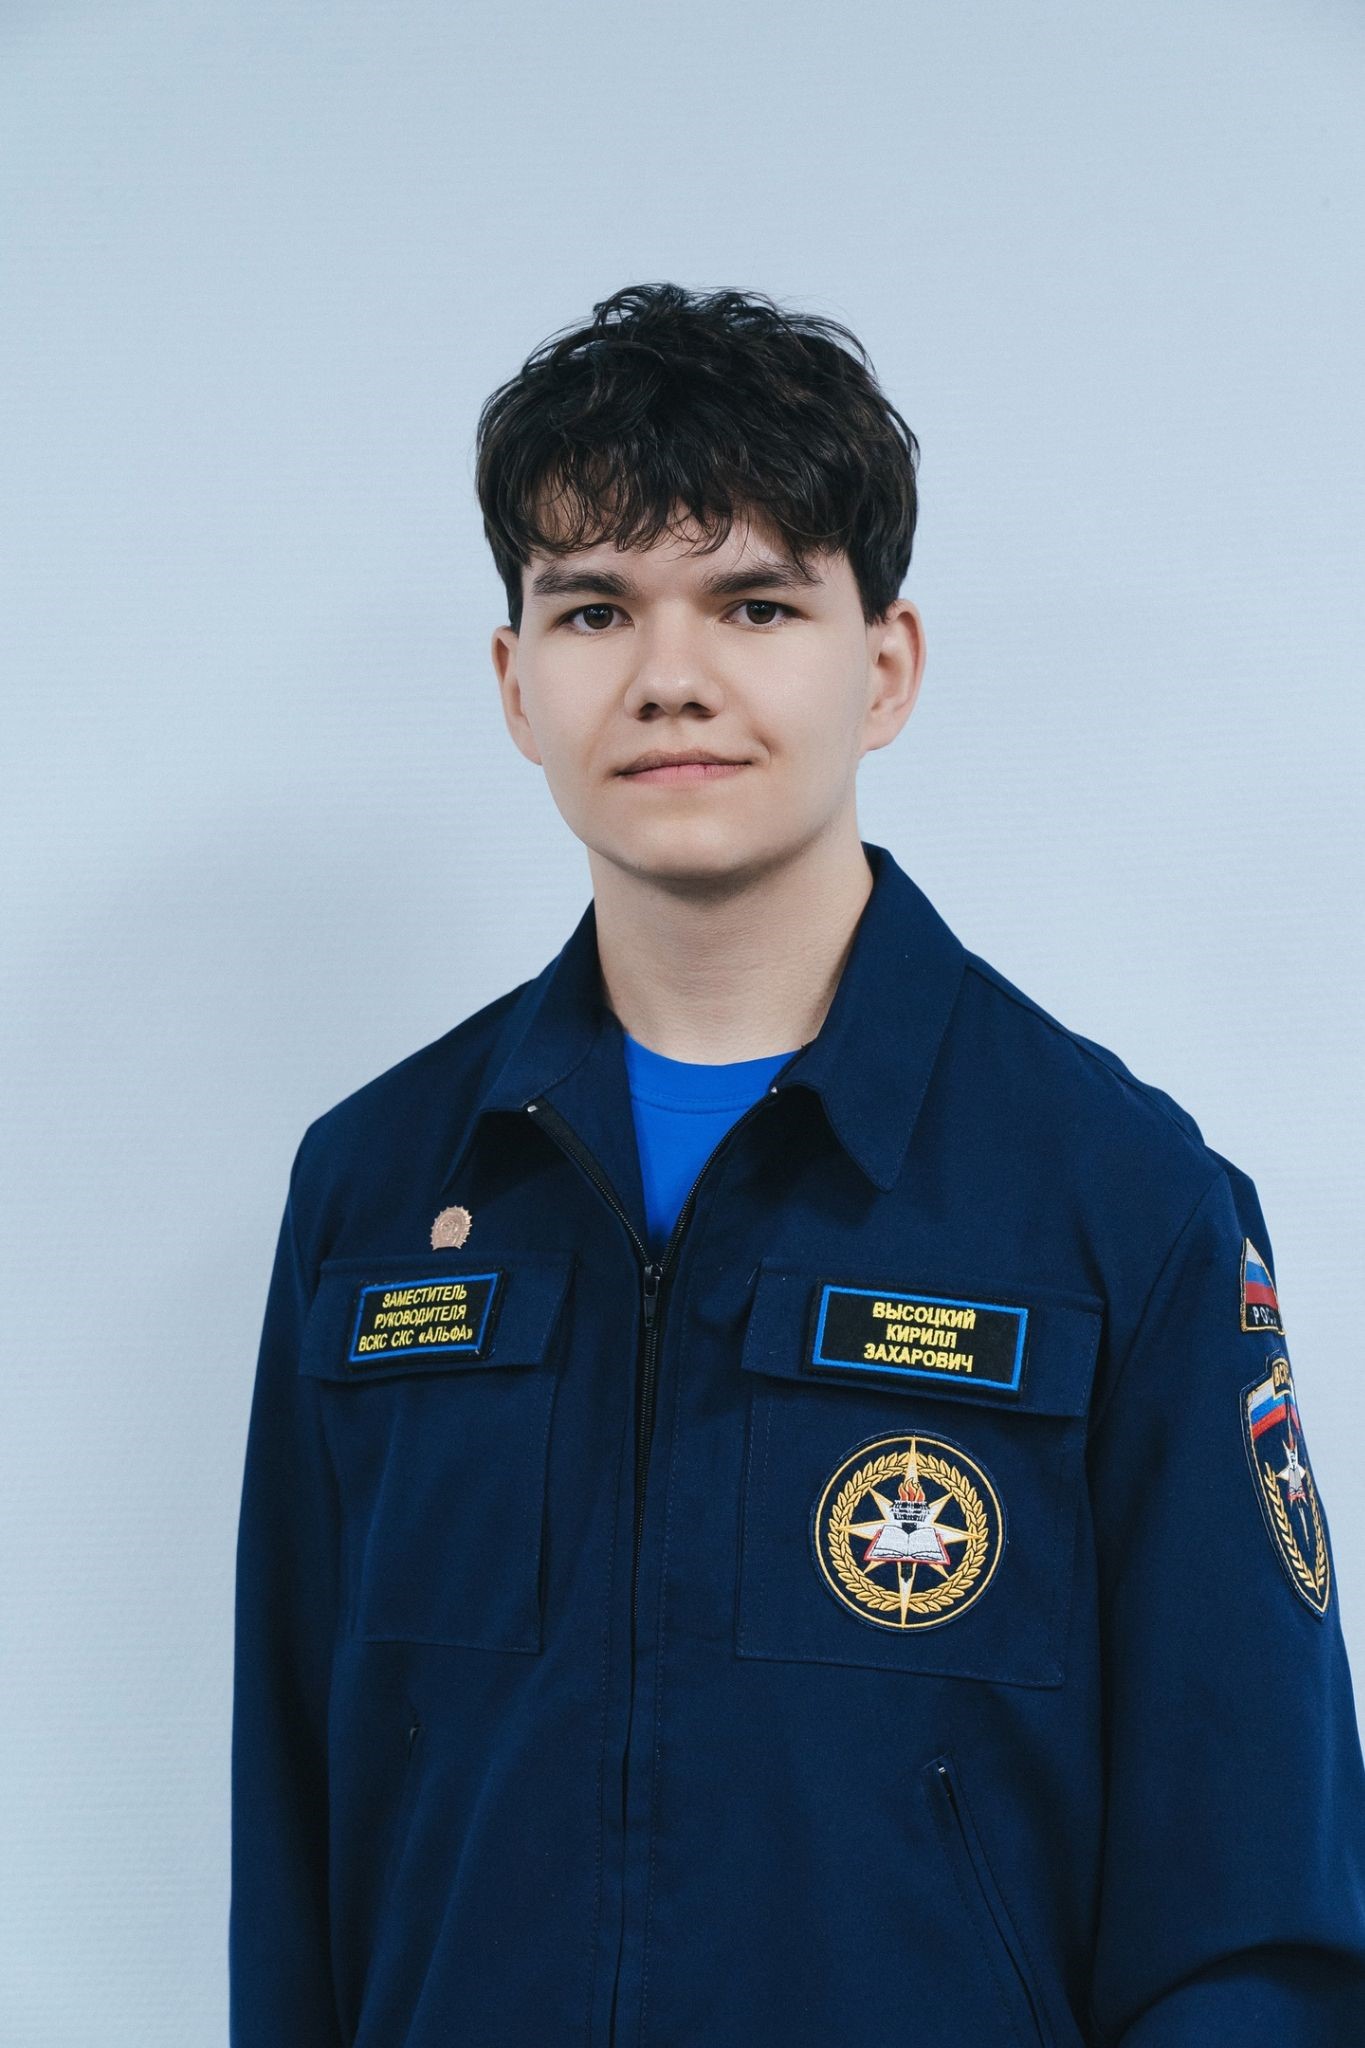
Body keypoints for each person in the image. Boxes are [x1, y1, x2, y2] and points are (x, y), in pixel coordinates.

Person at [229, 282, 1365, 2046]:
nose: (669, 676)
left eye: (754, 604)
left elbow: (1257, 1911)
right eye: (593, 608)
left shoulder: (1115, 1198)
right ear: (516, 683)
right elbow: (299, 1848)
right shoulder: (375, 1187)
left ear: (882, 666)